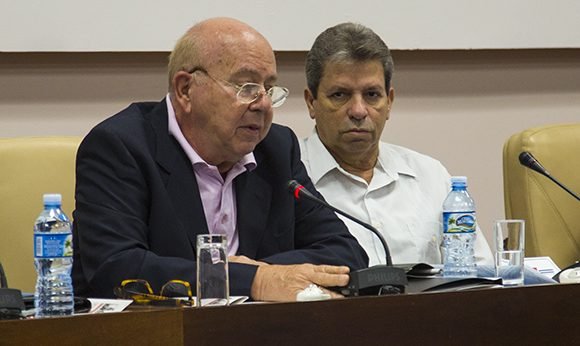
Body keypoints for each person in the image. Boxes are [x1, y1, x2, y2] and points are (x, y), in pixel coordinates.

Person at [72, 18, 368, 302]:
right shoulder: (121, 147)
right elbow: (115, 268)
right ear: (185, 89)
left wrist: (258, 273)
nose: (263, 104)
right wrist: (252, 280)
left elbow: (345, 253)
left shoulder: (276, 149)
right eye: (247, 87)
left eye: (268, 89)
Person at [300, 22, 494, 267]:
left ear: (389, 102)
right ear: (311, 102)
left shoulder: (430, 176)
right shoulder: (286, 180)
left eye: (372, 95)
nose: (358, 111)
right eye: (340, 94)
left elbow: (481, 272)